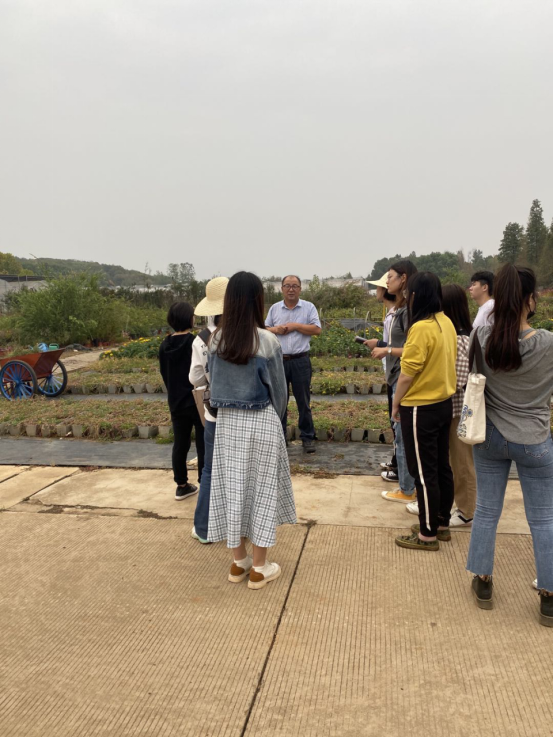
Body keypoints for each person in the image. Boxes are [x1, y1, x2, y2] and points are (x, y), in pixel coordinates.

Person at [466, 265, 553, 626]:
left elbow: (472, 378)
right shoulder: (547, 342)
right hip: (534, 439)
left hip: (489, 436)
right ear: (531, 300)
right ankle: (549, 597)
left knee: (487, 510)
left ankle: (483, 581)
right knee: (544, 518)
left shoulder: (482, 335)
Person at [207, 271, 296, 589]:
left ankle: (238, 562)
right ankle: (259, 568)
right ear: (258, 301)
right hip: (261, 421)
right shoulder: (267, 340)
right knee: (261, 490)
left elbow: (212, 382)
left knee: (232, 488)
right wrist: (277, 419)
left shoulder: (215, 340)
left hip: (227, 424)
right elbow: (279, 392)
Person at [391, 272, 457, 551]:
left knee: (423, 472)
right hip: (443, 404)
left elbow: (408, 373)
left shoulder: (420, 328)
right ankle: (440, 524)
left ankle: (427, 535)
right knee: (441, 467)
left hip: (420, 407)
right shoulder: (446, 322)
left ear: (416, 296)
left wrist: (396, 403)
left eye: (409, 294)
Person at [407, 284, 477, 526]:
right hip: (447, 408)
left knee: (461, 462)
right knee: (443, 462)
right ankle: (438, 507)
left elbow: (458, 378)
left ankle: (466, 510)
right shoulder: (452, 333)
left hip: (458, 409)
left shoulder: (461, 338)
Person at [370, 260, 418, 502]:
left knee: (402, 433)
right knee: (401, 433)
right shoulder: (400, 309)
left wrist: (386, 350)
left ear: (404, 278)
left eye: (390, 277)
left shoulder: (408, 311)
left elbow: (414, 348)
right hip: (396, 375)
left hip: (403, 376)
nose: (386, 282)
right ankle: (407, 486)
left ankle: (407, 489)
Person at [188, 277, 229, 544]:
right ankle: (237, 527)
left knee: (211, 470)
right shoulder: (249, 334)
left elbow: (195, 378)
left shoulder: (202, 340)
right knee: (238, 470)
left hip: (215, 412)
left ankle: (204, 529)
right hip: (243, 414)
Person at [265, 275, 321, 453]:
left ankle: (307, 437)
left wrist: (296, 326)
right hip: (279, 361)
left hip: (300, 361)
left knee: (303, 401)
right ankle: (280, 437)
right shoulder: (274, 309)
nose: (291, 289)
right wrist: (276, 329)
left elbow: (317, 329)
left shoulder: (308, 307)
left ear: (300, 289)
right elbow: (264, 330)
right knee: (279, 400)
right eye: (287, 286)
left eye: (295, 286)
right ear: (281, 288)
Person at [159, 302, 205, 500]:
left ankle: (181, 485)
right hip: (196, 399)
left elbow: (164, 373)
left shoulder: (164, 345)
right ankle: (205, 482)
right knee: (203, 442)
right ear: (189, 318)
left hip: (175, 400)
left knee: (180, 443)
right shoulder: (194, 343)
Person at [364, 272, 397, 478]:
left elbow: (399, 346)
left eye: (378, 287)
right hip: (392, 371)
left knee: (396, 420)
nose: (376, 291)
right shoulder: (391, 314)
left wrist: (380, 344)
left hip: (397, 373)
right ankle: (396, 461)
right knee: (394, 420)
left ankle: (399, 468)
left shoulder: (396, 315)